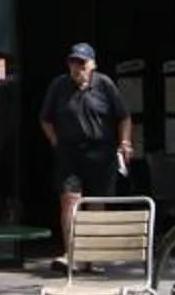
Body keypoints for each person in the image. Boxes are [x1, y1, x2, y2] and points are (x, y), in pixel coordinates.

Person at [40, 41, 132, 273]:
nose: (77, 67)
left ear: (92, 64)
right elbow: (45, 118)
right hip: (70, 151)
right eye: (73, 62)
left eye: (82, 63)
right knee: (70, 200)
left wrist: (124, 142)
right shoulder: (59, 85)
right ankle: (71, 253)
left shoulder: (105, 85)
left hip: (101, 151)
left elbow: (123, 116)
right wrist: (55, 140)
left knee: (97, 203)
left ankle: (91, 255)